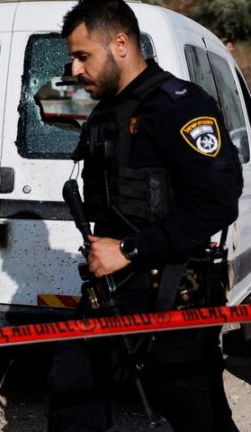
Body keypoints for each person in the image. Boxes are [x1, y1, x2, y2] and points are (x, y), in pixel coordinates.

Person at [47, 1, 242, 431]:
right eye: (72, 58)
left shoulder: (180, 106)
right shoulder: (104, 107)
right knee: (72, 394)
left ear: (120, 44)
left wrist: (129, 249)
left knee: (199, 415)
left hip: (173, 295)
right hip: (110, 292)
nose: (74, 69)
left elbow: (218, 201)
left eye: (83, 56)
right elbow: (44, 103)